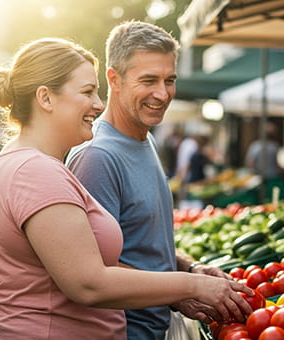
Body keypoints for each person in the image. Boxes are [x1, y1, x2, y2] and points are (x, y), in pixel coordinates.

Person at [0, 37, 253, 340]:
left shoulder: (31, 163)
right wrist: (192, 286)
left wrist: (186, 273)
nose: (98, 104)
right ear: (45, 98)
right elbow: (88, 284)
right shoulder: (36, 171)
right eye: (87, 92)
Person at [66, 21, 240, 339]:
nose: (162, 94)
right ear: (114, 79)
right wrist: (179, 290)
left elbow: (143, 245)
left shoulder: (146, 140)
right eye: (149, 80)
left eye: (169, 80)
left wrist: (190, 268)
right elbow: (92, 274)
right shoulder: (97, 157)